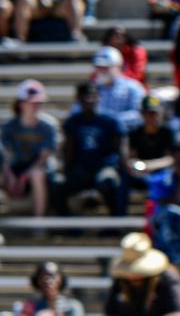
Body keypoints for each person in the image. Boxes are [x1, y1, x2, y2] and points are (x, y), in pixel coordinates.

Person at [56, 81, 126, 217]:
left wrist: (121, 168)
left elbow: (121, 148)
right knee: (57, 185)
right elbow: (69, 150)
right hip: (81, 170)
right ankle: (70, 228)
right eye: (84, 96)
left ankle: (114, 224)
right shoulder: (73, 121)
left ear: (99, 97)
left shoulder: (111, 120)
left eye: (92, 95)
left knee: (108, 181)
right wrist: (66, 170)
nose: (88, 99)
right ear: (78, 98)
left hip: (105, 168)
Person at [2, 81, 60, 218]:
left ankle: (38, 223)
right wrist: (8, 174)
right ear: (21, 104)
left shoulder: (48, 126)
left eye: (39, 103)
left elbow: (43, 158)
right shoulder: (10, 127)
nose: (36, 106)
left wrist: (23, 177)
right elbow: (5, 154)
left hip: (42, 169)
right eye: (32, 103)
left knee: (37, 174)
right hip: (18, 167)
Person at [88, 45, 146, 132]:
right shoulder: (91, 89)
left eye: (106, 66)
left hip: (126, 135)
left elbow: (139, 115)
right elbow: (77, 112)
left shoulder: (133, 88)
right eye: (99, 66)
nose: (102, 70)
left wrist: (111, 121)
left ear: (118, 66)